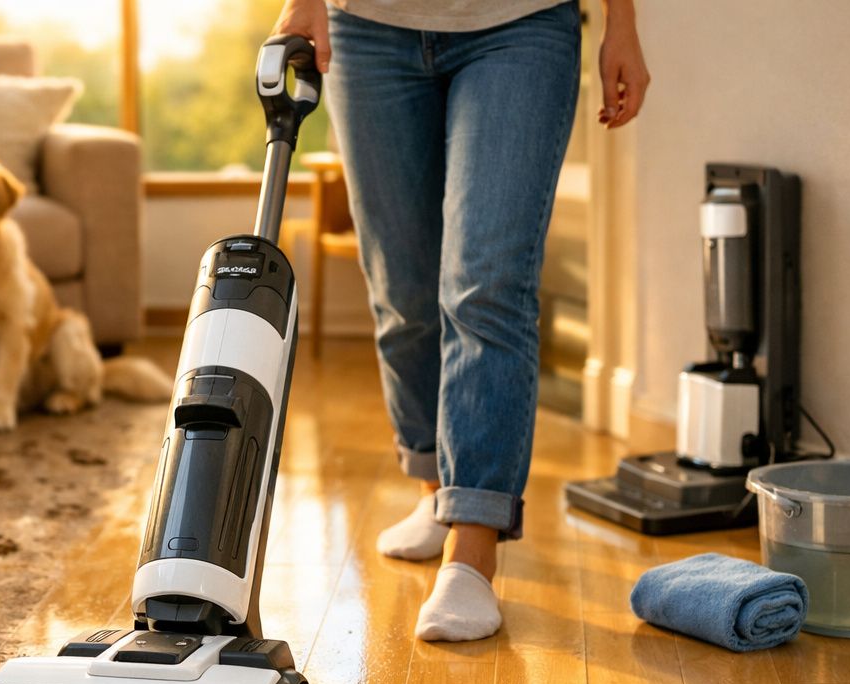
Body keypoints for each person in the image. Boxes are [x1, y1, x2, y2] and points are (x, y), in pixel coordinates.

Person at [273, 0, 650, 642]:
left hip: (520, 23)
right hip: (368, 27)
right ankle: (435, 488)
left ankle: (471, 549)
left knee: (487, 286)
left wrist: (622, 22)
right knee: (403, 291)